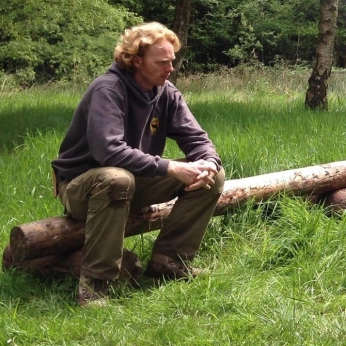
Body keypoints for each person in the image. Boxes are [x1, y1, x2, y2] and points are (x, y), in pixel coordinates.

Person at [51, 22, 225, 307]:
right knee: (117, 178)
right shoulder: (108, 89)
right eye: (162, 62)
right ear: (136, 60)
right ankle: (95, 284)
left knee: (214, 177)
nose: (170, 68)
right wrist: (170, 167)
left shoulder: (166, 92)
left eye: (172, 60)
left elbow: (197, 137)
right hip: (82, 186)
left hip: (131, 180)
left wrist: (208, 162)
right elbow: (109, 151)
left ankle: (169, 264)